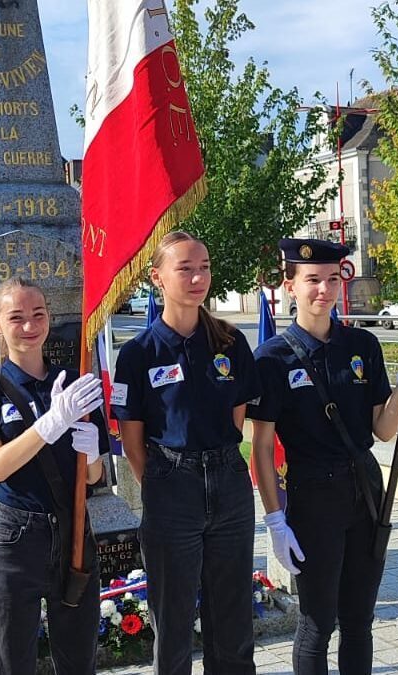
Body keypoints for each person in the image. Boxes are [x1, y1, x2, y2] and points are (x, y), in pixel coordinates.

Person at [248, 238, 398, 675]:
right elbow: (260, 449)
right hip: (314, 499)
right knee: (317, 623)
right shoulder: (271, 358)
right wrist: (275, 520)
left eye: (332, 279)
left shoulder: (361, 346)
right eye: (312, 280)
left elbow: (383, 430)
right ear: (290, 285)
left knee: (358, 621)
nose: (323, 290)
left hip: (365, 493)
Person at [111, 231, 260, 675]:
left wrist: (213, 464)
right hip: (171, 485)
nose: (198, 277)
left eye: (205, 267)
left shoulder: (230, 343)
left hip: (229, 483)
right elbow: (131, 437)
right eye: (185, 269)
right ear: (158, 278)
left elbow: (237, 417)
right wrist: (164, 483)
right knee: (173, 621)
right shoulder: (139, 353)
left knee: (232, 618)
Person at [0, 277, 108, 675]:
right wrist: (50, 423)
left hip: (74, 530)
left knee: (78, 661)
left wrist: (90, 450)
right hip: (18, 539)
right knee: (14, 661)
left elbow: (93, 477)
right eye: (16, 317)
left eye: (38, 314)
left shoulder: (74, 384)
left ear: (50, 318)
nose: (29, 325)